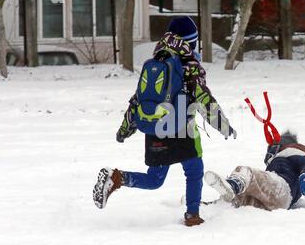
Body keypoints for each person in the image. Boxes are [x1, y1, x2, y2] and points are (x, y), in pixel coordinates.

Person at [93, 16, 236, 226]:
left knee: (154, 179)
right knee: (194, 170)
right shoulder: (189, 64)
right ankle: (192, 215)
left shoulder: (156, 61)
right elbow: (204, 99)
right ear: (192, 41)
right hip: (181, 127)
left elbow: (137, 100)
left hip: (154, 126)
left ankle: (116, 178)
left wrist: (125, 129)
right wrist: (223, 125)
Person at [204, 131, 305, 211]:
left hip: (282, 189)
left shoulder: (294, 154)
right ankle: (216, 206)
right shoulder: (278, 162)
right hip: (278, 202)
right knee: (242, 197)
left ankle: (233, 185)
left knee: (247, 172)